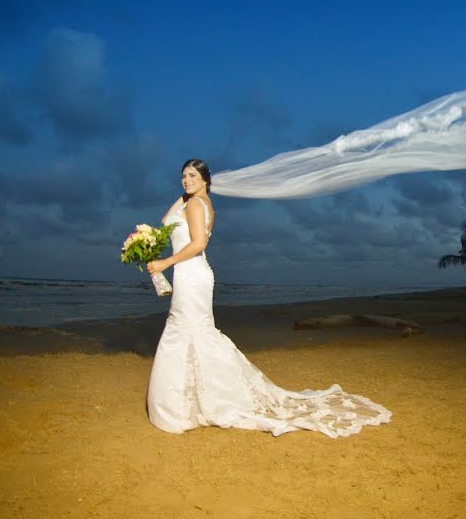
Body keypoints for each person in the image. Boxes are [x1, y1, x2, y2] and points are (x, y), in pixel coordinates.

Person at [145, 159, 392, 437]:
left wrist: (165, 263)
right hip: (193, 274)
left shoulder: (194, 205)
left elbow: (198, 243)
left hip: (190, 273)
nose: (185, 180)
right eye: (183, 176)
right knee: (193, 332)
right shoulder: (199, 203)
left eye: (192, 175)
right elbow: (166, 221)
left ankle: (185, 404)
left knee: (187, 331)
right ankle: (193, 398)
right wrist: (187, 193)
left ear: (205, 180)